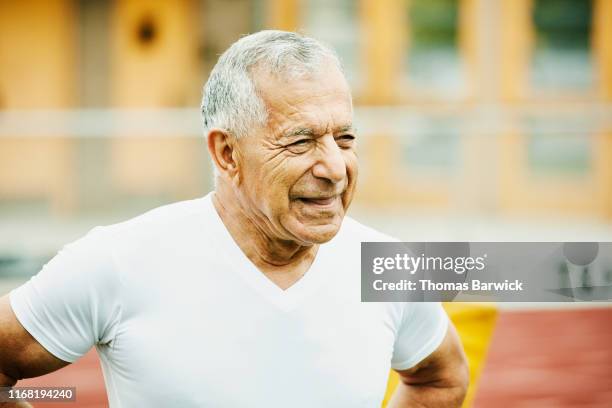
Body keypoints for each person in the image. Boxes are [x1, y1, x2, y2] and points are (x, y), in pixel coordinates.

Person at [0, 30, 468, 407]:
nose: (334, 168)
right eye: (301, 141)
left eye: (344, 138)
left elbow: (441, 380)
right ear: (227, 153)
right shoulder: (118, 261)